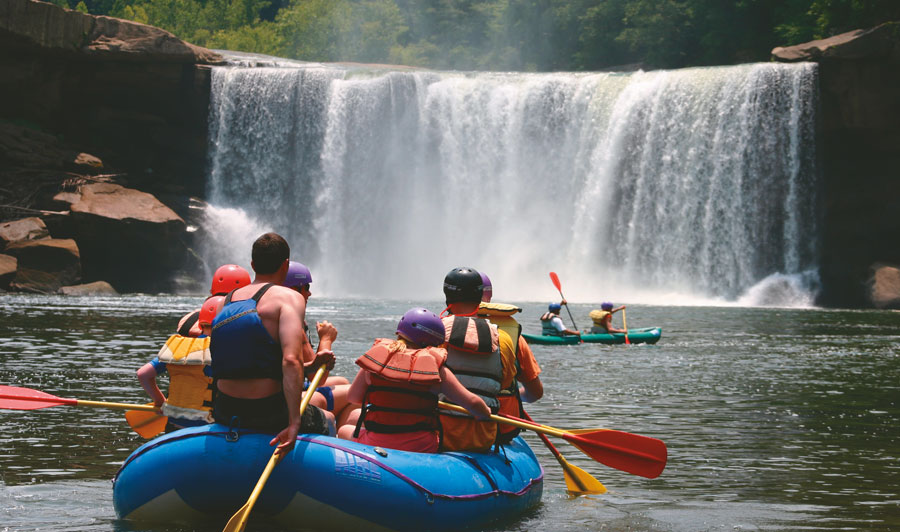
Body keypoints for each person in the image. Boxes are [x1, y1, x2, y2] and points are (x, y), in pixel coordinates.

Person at [209, 232, 334, 455]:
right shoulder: (288, 298)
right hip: (269, 412)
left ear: (253, 264)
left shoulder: (225, 302)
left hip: (225, 410)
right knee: (329, 419)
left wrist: (311, 367)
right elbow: (290, 360)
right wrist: (294, 422)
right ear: (285, 266)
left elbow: (246, 364)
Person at [337, 308, 490, 453]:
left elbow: (353, 397)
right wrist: (484, 414)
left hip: (376, 441)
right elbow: (473, 403)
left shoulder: (376, 364)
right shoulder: (437, 371)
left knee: (345, 429)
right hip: (421, 447)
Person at [135, 265, 253, 433]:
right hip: (212, 426)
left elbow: (143, 374)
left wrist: (161, 402)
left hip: (174, 423)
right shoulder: (234, 343)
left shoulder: (185, 329)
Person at [439, 267, 517, 452]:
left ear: (447, 296)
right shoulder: (503, 338)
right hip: (483, 438)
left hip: (436, 433)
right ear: (480, 298)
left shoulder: (435, 332)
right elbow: (503, 383)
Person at [476, 271, 543, 444]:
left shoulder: (440, 331)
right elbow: (535, 393)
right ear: (489, 298)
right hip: (499, 429)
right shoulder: (513, 337)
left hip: (449, 424)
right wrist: (515, 396)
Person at [281, 260, 351, 421]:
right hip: (285, 391)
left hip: (285, 384)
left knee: (342, 381)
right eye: (306, 287)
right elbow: (317, 378)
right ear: (292, 290)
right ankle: (343, 436)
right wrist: (326, 340)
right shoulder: (293, 322)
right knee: (354, 393)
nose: (310, 293)